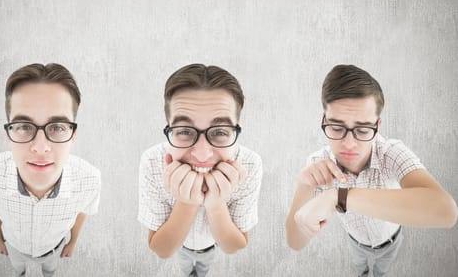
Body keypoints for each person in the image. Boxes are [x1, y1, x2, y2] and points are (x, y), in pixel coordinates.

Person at [286, 64, 457, 276]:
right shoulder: (317, 165)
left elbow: (446, 212)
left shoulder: (391, 152)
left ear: (378, 126)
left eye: (363, 129)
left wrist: (339, 197)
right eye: (337, 128)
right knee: (360, 268)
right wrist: (304, 187)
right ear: (324, 120)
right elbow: (294, 242)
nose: (349, 144)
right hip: (355, 242)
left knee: (382, 270)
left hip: (391, 240)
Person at [0, 63, 101, 277]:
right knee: (18, 270)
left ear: (73, 136)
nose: (40, 147)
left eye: (57, 127)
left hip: (53, 249)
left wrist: (72, 243)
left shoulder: (90, 179)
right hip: (14, 246)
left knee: (50, 270)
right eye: (24, 126)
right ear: (8, 134)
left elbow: (83, 211)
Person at [138, 63, 263, 276]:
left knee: (204, 267)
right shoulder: (152, 161)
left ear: (237, 130)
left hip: (210, 247)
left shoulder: (250, 163)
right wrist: (187, 202)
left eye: (220, 132)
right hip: (180, 248)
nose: (203, 154)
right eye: (185, 131)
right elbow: (162, 248)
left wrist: (216, 205)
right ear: (168, 127)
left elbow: (234, 246)